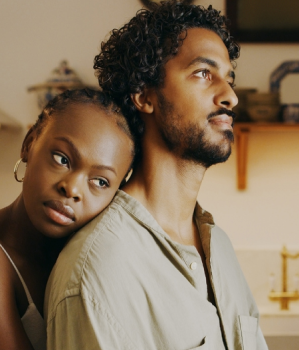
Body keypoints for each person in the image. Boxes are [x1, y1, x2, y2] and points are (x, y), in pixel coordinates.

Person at [45, 2, 269, 350]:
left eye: (229, 78)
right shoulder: (100, 269)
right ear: (144, 96)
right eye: (203, 73)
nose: (230, 96)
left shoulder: (218, 246)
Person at [0, 88, 136, 350]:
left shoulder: (84, 259)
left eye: (99, 181)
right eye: (62, 159)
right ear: (30, 144)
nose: (71, 189)